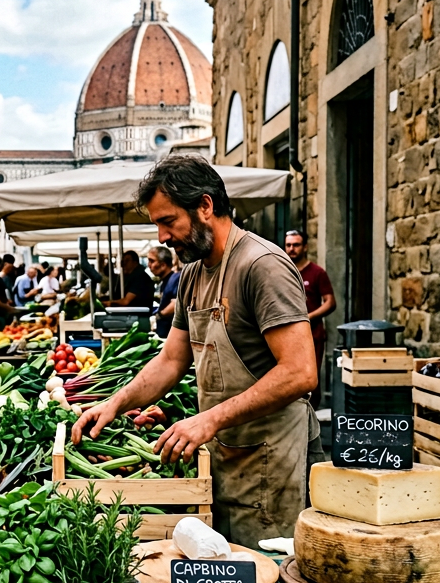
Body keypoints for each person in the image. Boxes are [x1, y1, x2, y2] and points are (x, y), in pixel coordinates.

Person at [73, 155, 317, 547]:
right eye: (157, 225)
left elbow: (300, 372)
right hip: (222, 454)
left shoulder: (262, 266)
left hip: (271, 461)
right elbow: (172, 360)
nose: (162, 238)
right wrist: (113, 404)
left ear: (205, 206)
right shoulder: (192, 273)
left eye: (168, 222)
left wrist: (209, 420)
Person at [284, 230, 336, 409]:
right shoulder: (282, 271)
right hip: (286, 334)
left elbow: (330, 302)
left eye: (296, 245)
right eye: (288, 245)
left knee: (310, 376)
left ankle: (312, 415)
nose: (292, 249)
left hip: (312, 334)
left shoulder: (317, 272)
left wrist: (307, 318)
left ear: (305, 247)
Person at [148, 246, 180, 338]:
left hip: (171, 335)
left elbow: (176, 304)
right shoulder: (165, 282)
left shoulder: (175, 279)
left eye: (152, 261)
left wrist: (159, 315)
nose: (149, 265)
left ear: (163, 265)